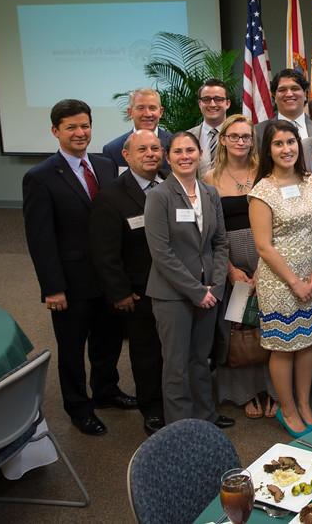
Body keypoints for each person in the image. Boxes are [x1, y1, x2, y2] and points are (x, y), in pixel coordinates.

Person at [23, 99, 133, 436]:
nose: (80, 132)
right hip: (70, 282)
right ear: (55, 131)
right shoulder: (40, 177)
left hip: (108, 277)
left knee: (109, 338)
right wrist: (52, 287)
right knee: (72, 348)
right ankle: (78, 406)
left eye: (84, 125)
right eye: (71, 127)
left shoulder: (105, 165)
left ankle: (106, 390)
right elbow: (40, 239)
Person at [144, 131, 233, 428]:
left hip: (209, 291)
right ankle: (180, 428)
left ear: (199, 155)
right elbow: (161, 253)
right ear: (168, 158)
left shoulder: (210, 193)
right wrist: (196, 291)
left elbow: (220, 243)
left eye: (190, 150)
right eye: (178, 151)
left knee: (201, 361)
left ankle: (206, 419)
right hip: (173, 295)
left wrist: (216, 286)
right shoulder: (159, 196)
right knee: (177, 366)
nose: (185, 156)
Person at [249, 120, 312, 437]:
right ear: (268, 150)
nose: (287, 149)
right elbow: (263, 246)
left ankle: (305, 404)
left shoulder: (311, 182)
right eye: (279, 144)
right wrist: (295, 282)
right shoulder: (262, 190)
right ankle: (288, 409)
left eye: (291, 142)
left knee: (307, 342)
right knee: (284, 346)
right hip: (279, 282)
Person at [89, 130, 166, 436]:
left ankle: (177, 401)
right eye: (143, 149)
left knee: (174, 350)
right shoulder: (112, 195)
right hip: (140, 290)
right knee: (146, 353)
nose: (151, 154)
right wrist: (120, 292)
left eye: (156, 148)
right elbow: (104, 252)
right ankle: (152, 409)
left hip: (177, 286)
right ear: (127, 156)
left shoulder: (172, 183)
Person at [204, 114, 276, 421]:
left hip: (267, 259)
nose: (241, 142)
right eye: (234, 136)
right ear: (222, 140)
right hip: (230, 262)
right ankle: (243, 391)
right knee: (237, 327)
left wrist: (264, 267)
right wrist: (231, 270)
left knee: (268, 324)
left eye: (246, 136)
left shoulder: (265, 173)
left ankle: (272, 389)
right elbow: (209, 230)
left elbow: (276, 220)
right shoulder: (209, 178)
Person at [101, 87, 173, 171]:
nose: (147, 114)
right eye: (141, 108)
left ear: (160, 112)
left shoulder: (175, 144)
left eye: (152, 108)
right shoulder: (112, 150)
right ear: (130, 112)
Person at [187, 78, 232, 177]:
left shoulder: (240, 137)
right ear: (200, 104)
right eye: (206, 99)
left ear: (228, 103)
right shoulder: (188, 136)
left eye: (218, 99)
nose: (212, 104)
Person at [255, 69, 312, 143]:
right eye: (282, 90)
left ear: (305, 94)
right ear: (274, 96)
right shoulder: (258, 132)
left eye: (295, 89)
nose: (289, 94)